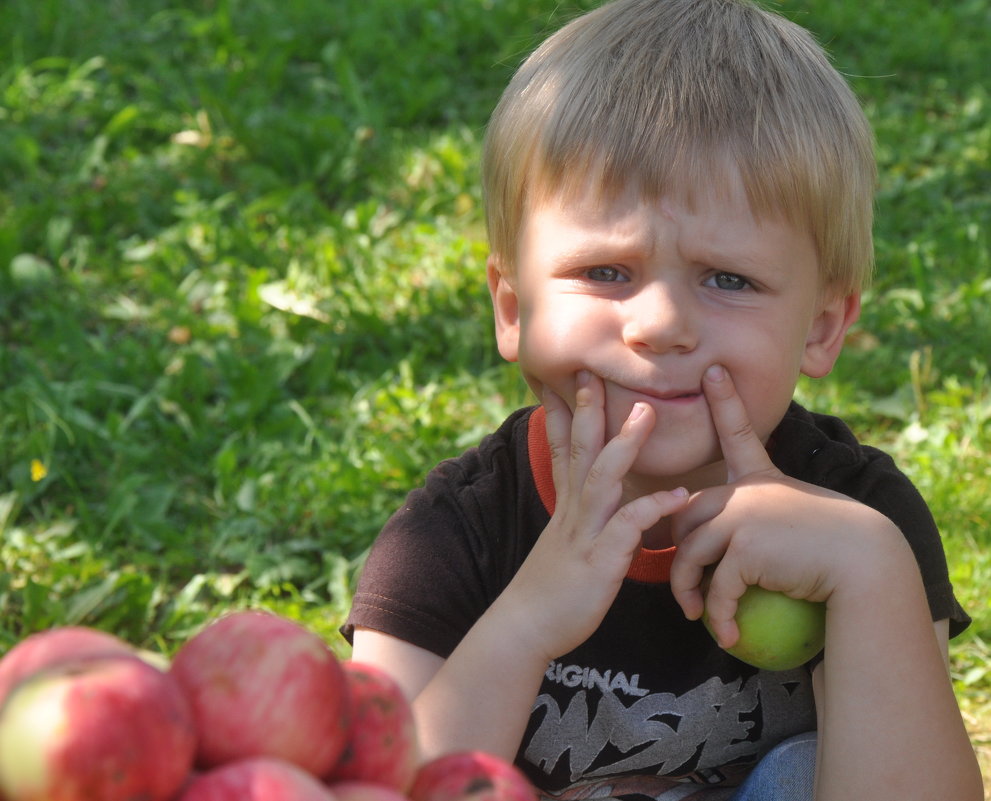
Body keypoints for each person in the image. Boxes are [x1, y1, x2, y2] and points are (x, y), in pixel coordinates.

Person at [341, 0, 984, 798]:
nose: (662, 324)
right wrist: (528, 618)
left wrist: (870, 572)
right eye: (605, 271)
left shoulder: (855, 516)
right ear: (512, 307)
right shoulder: (457, 534)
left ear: (820, 327)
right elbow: (380, 787)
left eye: (728, 279)